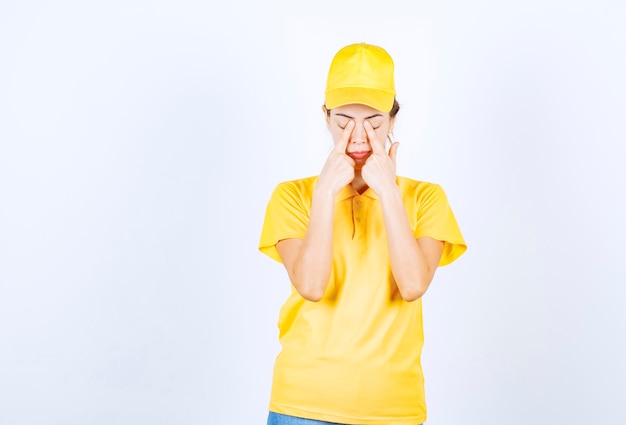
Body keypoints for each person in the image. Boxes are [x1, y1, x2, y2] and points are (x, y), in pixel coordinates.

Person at [259, 42, 467, 425]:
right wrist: (325, 191)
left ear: (392, 119)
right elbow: (311, 286)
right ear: (325, 117)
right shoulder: (292, 195)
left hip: (394, 408)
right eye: (343, 121)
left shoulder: (426, 197)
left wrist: (388, 191)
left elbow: (412, 286)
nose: (357, 137)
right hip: (303, 405)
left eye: (373, 121)